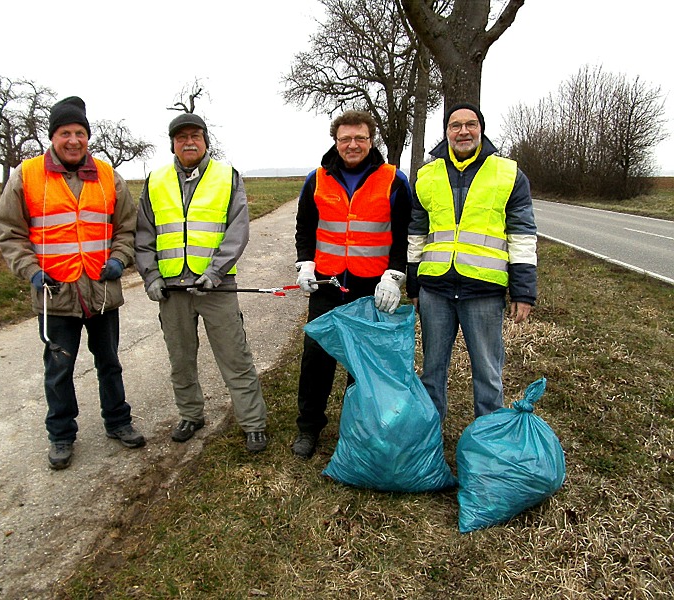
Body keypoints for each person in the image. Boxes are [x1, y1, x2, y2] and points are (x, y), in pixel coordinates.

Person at [0, 96, 145, 470]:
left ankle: (118, 422)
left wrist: (119, 259)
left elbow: (127, 227)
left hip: (101, 291)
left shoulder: (109, 176)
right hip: (54, 294)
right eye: (65, 133)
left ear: (87, 137)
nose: (73, 140)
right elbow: (10, 232)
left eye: (80, 132)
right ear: (53, 137)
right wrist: (30, 270)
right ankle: (61, 435)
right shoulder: (27, 175)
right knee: (59, 368)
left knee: (109, 362)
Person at [134, 113, 268, 453]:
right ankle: (191, 415)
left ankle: (253, 423)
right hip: (171, 290)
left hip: (216, 287)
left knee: (235, 356)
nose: (188, 142)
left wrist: (215, 273)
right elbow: (144, 235)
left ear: (206, 140)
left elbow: (237, 231)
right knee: (180, 359)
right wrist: (150, 276)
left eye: (195, 135)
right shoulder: (155, 181)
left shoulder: (227, 177)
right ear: (173, 144)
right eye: (181, 138)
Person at [292, 110, 413, 459]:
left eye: (360, 138)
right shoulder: (317, 179)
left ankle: (357, 427)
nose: (353, 145)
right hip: (327, 285)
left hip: (373, 289)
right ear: (335, 141)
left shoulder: (393, 180)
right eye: (345, 138)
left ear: (371, 139)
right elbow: (305, 227)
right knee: (316, 358)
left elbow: (405, 234)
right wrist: (305, 262)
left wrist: (395, 274)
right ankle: (309, 427)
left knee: (364, 364)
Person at [407, 102, 537, 422]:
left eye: (470, 124)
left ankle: (488, 447)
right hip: (435, 288)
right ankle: (429, 441)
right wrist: (413, 282)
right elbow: (416, 232)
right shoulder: (427, 175)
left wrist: (523, 292)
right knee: (432, 372)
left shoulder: (508, 174)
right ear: (446, 132)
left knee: (488, 375)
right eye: (455, 125)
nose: (463, 131)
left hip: (484, 289)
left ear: (481, 128)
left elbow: (522, 235)